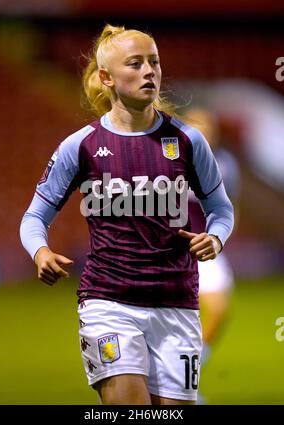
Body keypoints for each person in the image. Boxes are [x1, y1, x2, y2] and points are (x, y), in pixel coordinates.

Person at [20, 24, 234, 405]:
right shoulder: (81, 145)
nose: (149, 71)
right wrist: (41, 251)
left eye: (154, 62)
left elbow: (221, 209)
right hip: (109, 302)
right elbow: (35, 216)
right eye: (135, 64)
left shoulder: (187, 140)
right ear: (106, 77)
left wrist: (215, 236)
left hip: (177, 303)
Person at [184, 107, 240, 403]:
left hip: (207, 249)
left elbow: (228, 206)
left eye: (207, 125)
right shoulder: (171, 162)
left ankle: (187, 374)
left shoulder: (224, 163)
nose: (204, 130)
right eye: (196, 125)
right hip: (175, 252)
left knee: (219, 309)